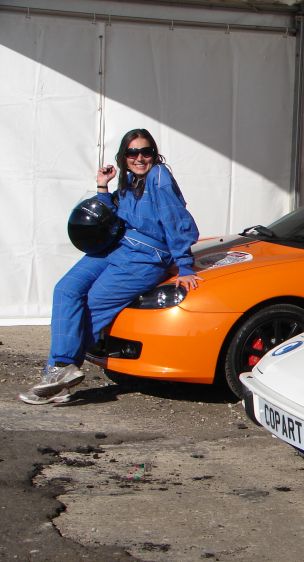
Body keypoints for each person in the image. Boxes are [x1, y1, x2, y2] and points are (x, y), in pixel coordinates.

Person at [19, 128, 200, 405]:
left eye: (146, 152)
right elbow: (114, 214)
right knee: (66, 289)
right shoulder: (129, 180)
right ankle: (60, 374)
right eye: (132, 152)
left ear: (154, 153)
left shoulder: (159, 177)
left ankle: (58, 372)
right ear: (124, 156)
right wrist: (102, 186)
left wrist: (185, 266)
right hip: (116, 246)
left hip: (144, 257)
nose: (139, 158)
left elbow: (176, 220)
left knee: (91, 306)